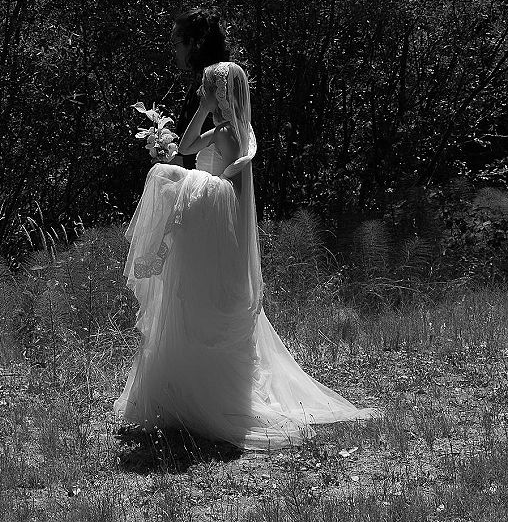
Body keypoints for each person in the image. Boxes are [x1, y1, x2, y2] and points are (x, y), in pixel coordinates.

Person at [114, 62, 379, 450]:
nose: (202, 94)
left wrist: (185, 183)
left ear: (220, 93)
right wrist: (202, 111)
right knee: (183, 305)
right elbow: (187, 148)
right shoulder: (222, 130)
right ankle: (177, 396)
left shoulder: (233, 136)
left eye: (207, 90)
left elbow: (229, 190)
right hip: (198, 237)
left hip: (211, 238)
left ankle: (205, 400)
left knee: (197, 309)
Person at [171, 7, 230, 169]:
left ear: (190, 43)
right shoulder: (202, 81)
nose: (175, 52)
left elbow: (215, 149)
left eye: (175, 45)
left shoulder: (213, 87)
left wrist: (176, 161)